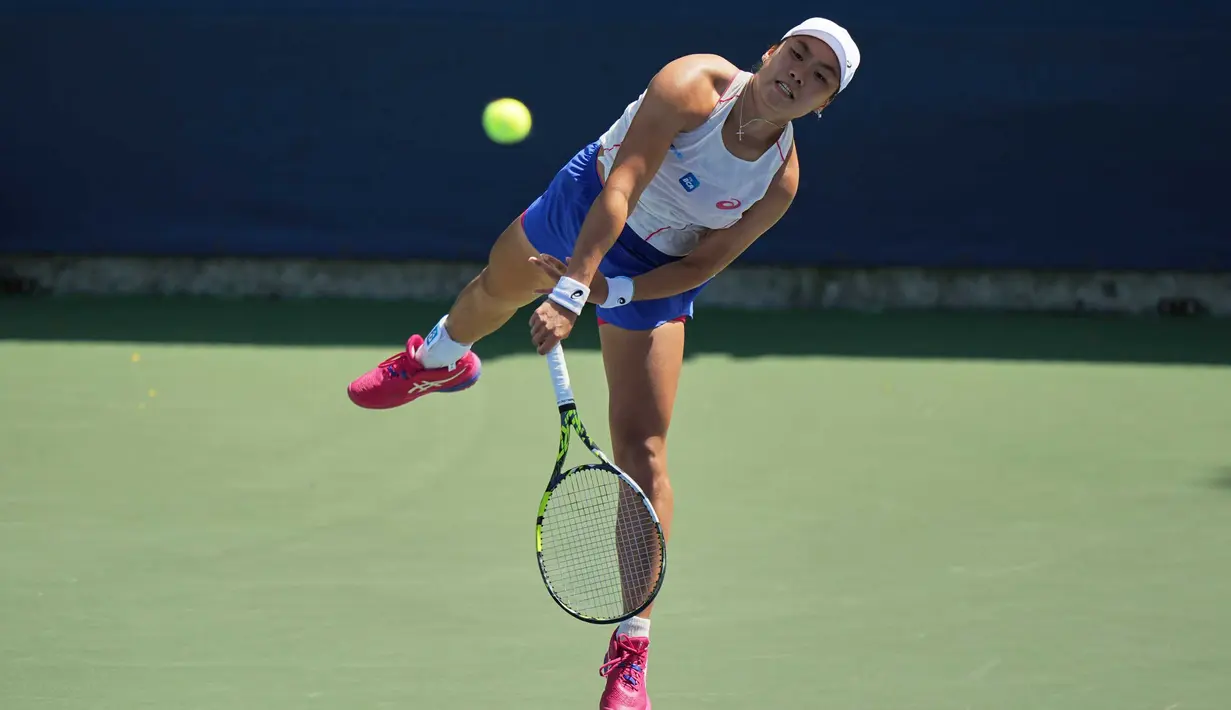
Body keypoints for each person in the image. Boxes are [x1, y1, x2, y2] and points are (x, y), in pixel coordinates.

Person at [347, 16, 860, 710]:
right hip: (590, 200)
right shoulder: (692, 84)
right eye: (796, 54)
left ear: (823, 105)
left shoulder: (780, 181)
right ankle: (439, 359)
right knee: (497, 291)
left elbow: (701, 265)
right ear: (770, 52)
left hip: (657, 269)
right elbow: (624, 184)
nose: (800, 74)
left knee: (643, 451)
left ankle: (631, 652)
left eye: (821, 77)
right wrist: (570, 287)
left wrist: (612, 292)